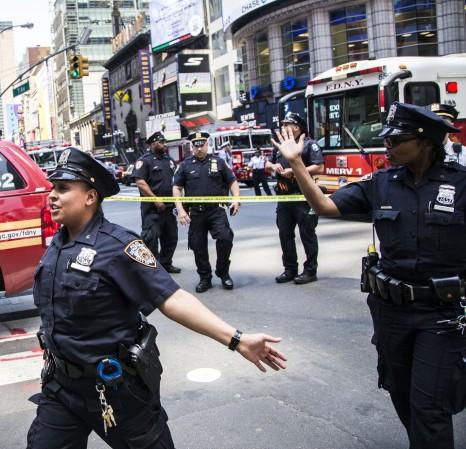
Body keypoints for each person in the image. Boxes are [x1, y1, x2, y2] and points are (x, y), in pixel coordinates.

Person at [27, 147, 287, 448]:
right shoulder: (57, 245)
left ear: (90, 197)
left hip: (115, 390)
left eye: (63, 189)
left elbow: (172, 297)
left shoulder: (119, 246)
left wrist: (236, 339)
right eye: (52, 188)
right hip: (61, 388)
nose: (52, 196)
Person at [273, 102, 466, 449]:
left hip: (441, 315)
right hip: (390, 312)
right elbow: (324, 206)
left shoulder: (461, 185)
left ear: (425, 141)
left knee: (430, 407)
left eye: (396, 139)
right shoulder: (382, 183)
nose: (387, 146)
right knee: (401, 394)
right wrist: (296, 163)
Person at [173, 131, 241, 292]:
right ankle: (205, 278)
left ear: (207, 144)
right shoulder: (185, 165)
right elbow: (177, 187)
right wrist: (181, 210)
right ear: (192, 147)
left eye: (202, 145)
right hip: (196, 213)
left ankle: (223, 273)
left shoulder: (219, 162)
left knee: (225, 239)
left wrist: (236, 198)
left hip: (216, 210)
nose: (199, 148)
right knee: (198, 246)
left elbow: (232, 181)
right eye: (195, 146)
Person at [266, 112, 324, 285]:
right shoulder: (281, 146)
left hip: (304, 198)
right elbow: (268, 164)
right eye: (282, 124)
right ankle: (290, 269)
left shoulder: (308, 145)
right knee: (285, 235)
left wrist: (297, 171)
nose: (283, 128)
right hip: (284, 199)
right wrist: (273, 166)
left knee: (307, 234)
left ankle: (310, 271)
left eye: (286, 124)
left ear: (297, 127)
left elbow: (319, 167)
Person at [133, 131, 180, 273]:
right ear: (153, 144)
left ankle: (165, 264)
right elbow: (140, 183)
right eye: (161, 142)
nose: (165, 145)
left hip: (169, 208)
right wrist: (155, 199)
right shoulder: (145, 161)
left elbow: (177, 182)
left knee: (171, 238)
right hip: (152, 209)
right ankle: (152, 268)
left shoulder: (169, 160)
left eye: (165, 142)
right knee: (150, 239)